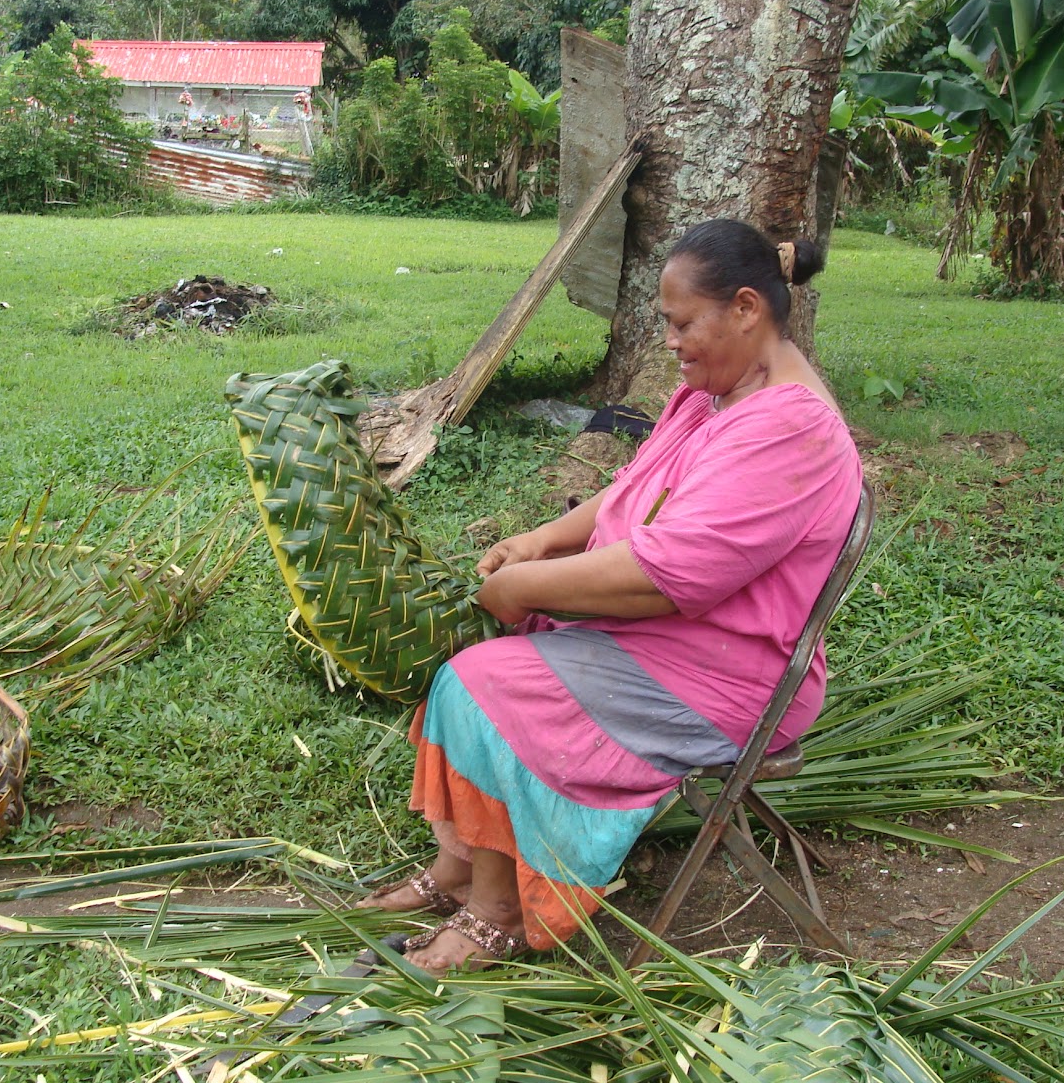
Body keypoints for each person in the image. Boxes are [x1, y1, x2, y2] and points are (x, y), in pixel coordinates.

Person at [359, 218, 864, 972]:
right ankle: (465, 863)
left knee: (481, 685)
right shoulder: (717, 393)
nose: (669, 340)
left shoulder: (791, 431)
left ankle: (498, 911)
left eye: (680, 322)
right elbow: (639, 487)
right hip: (674, 647)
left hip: (728, 681)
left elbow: (668, 576)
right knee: (474, 665)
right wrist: (544, 540)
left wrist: (524, 586)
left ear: (748, 309)